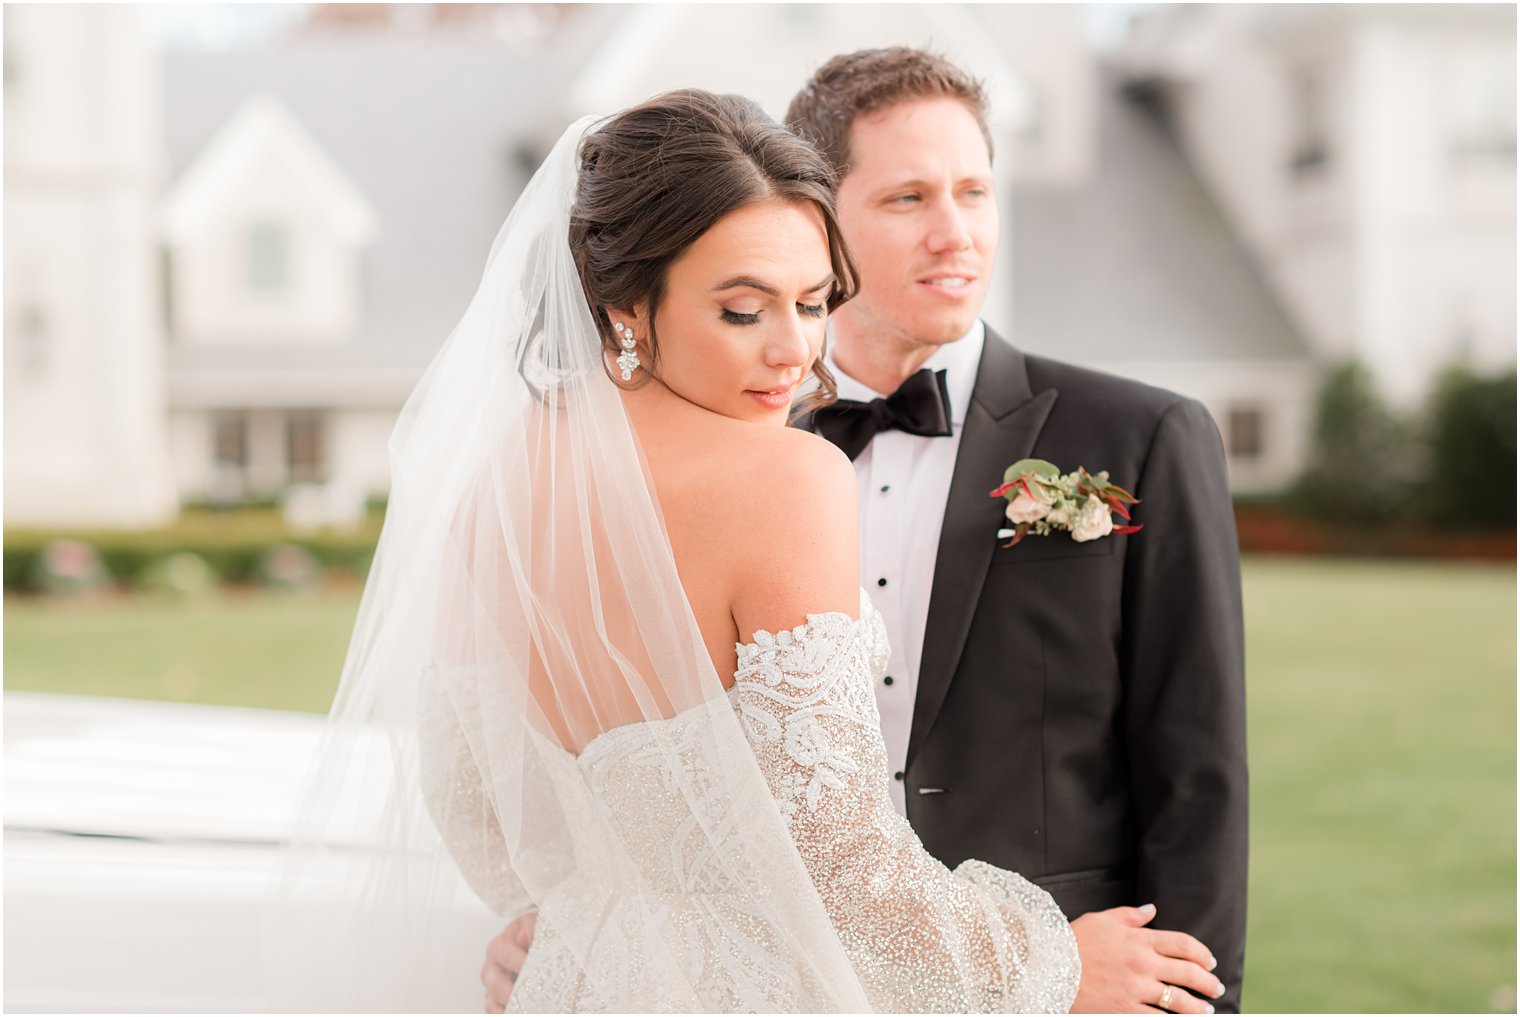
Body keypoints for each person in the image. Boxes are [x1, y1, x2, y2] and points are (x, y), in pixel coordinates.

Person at [278, 88, 1093, 1013]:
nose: (794, 351)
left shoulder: (489, 492)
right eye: (743, 311)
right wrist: (1051, 962)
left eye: (814, 301)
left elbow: (471, 809)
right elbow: (845, 870)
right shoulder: (787, 477)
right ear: (626, 304)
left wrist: (589, 912)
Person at [484, 49, 1247, 1016]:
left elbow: (1200, 773)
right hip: (916, 974)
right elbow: (839, 861)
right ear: (822, 209)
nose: (954, 232)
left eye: (975, 191)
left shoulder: (1143, 437)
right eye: (906, 199)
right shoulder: (769, 455)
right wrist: (1049, 969)